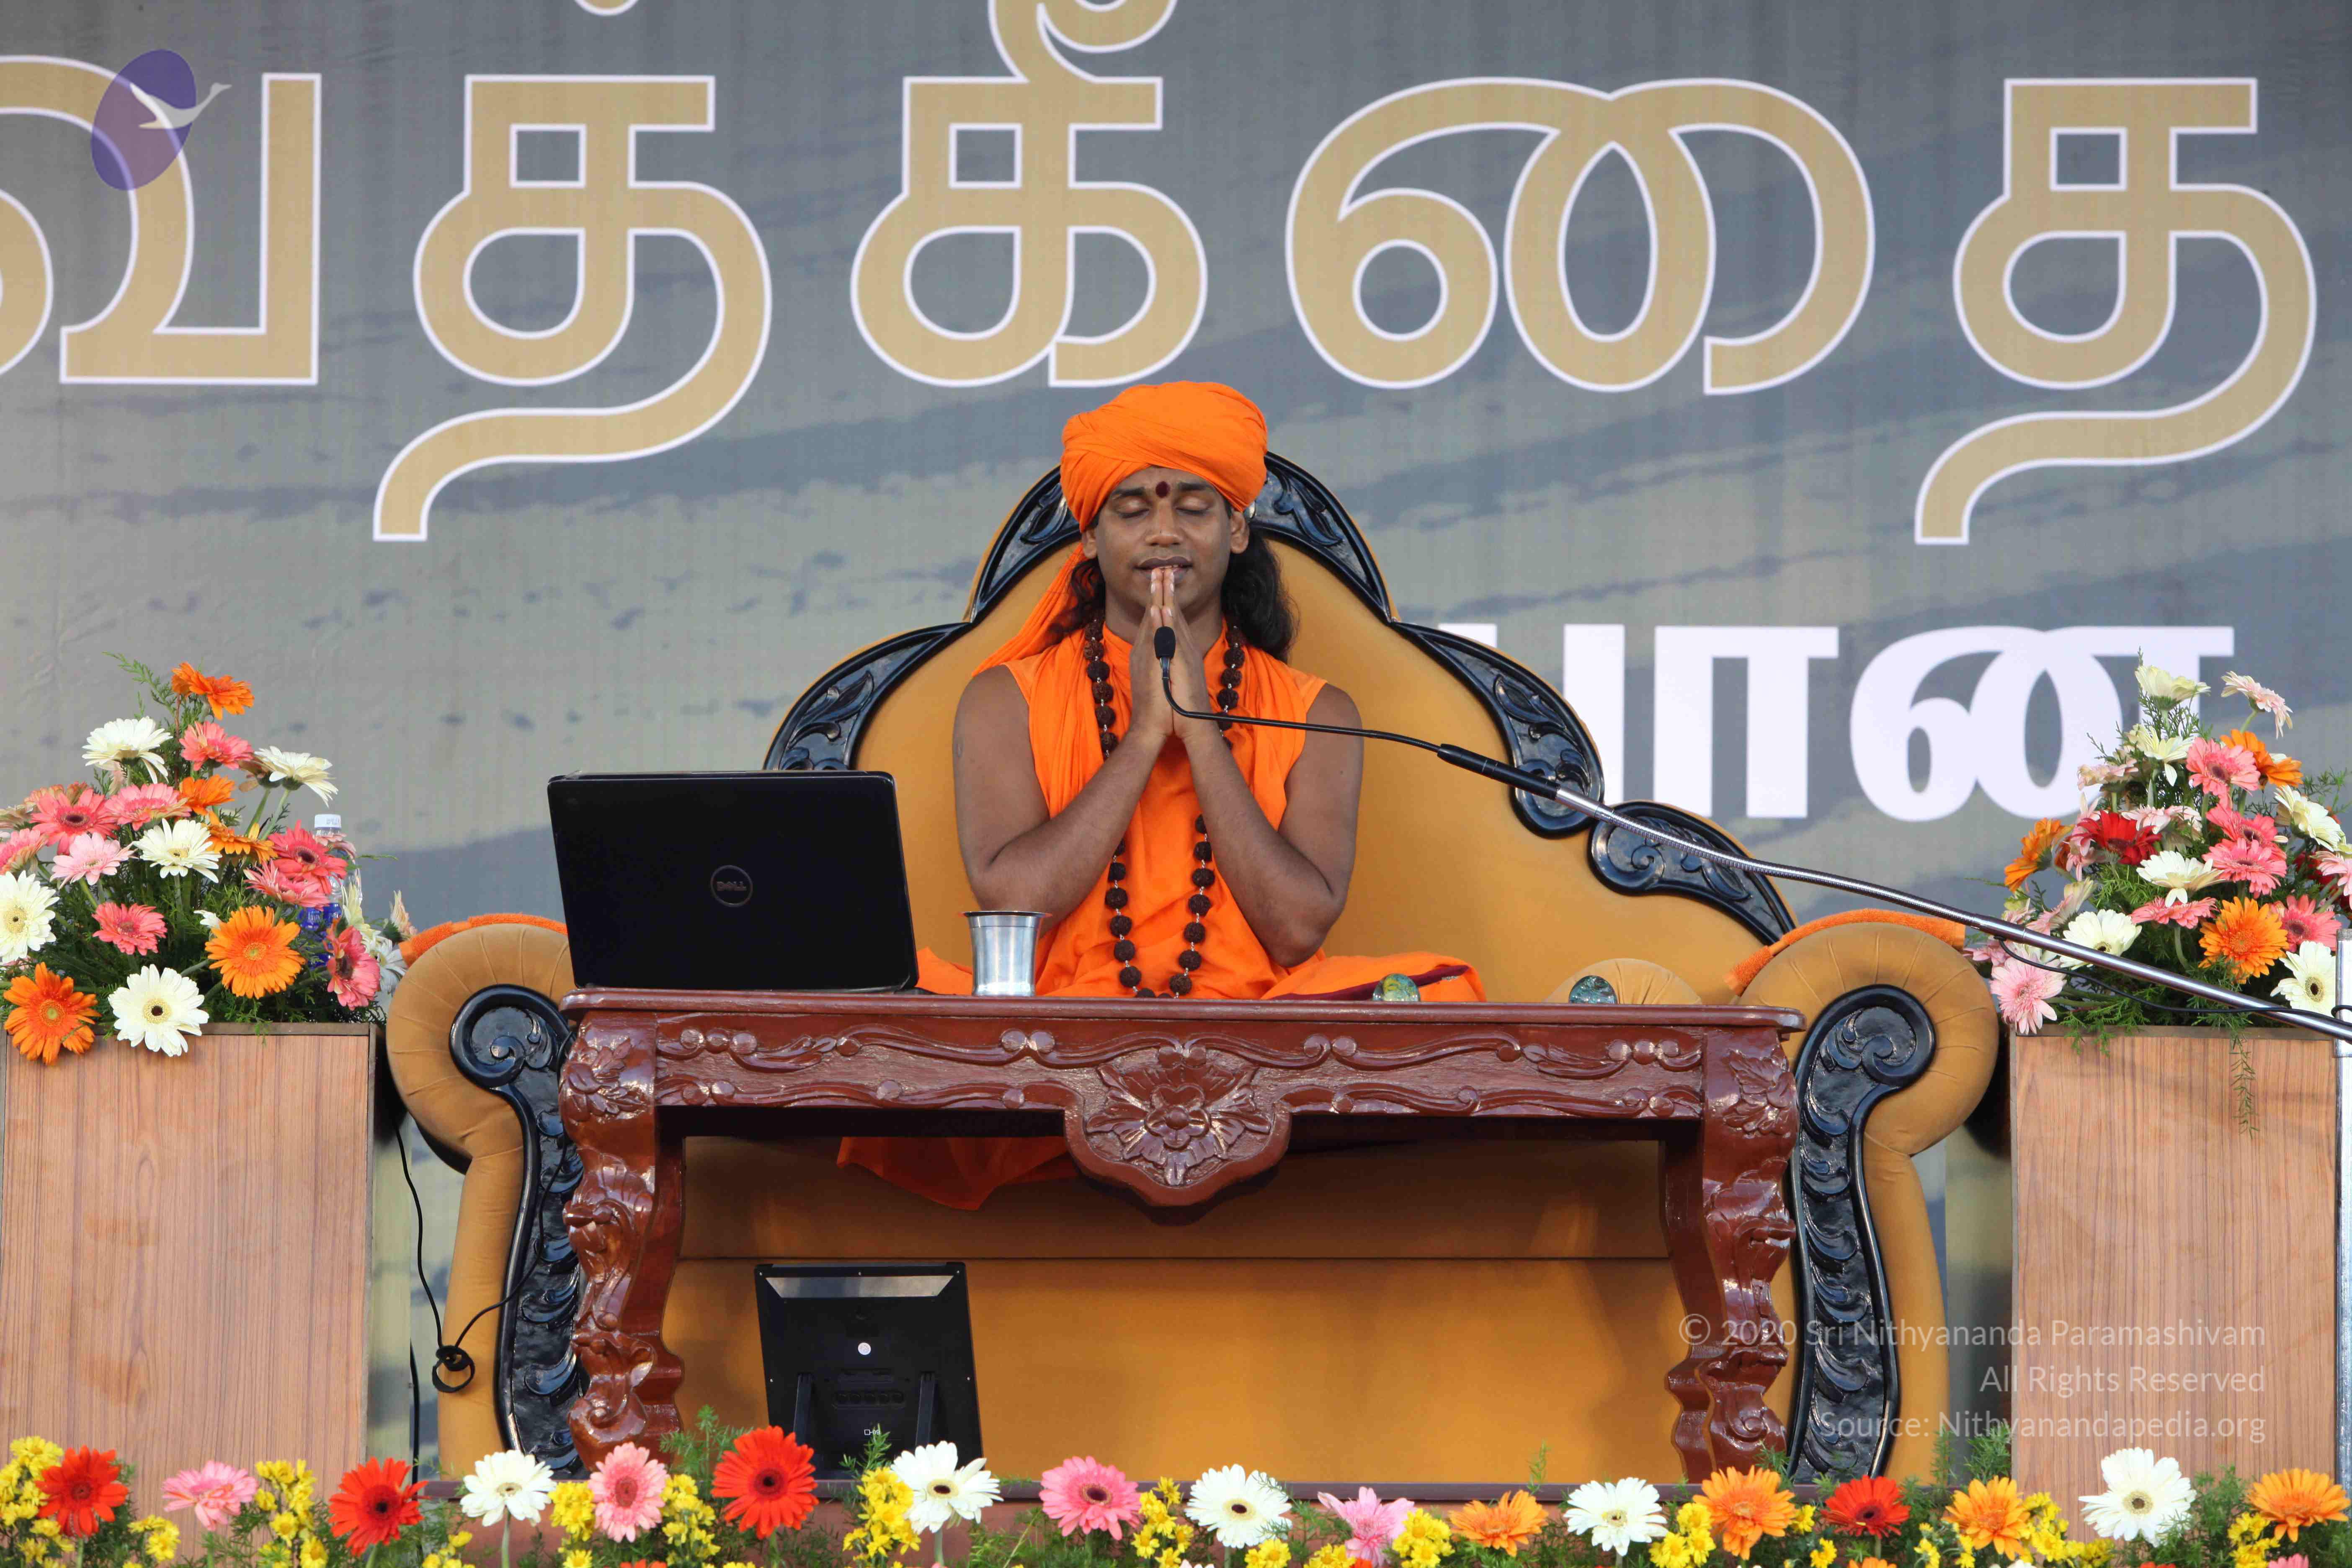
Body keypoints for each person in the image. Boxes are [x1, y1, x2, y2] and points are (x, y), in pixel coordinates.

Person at [839, 381, 1482, 1208]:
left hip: (1260, 1030)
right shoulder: (1006, 699)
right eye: (1134, 508)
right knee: (879, 1005)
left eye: (1194, 507)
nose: (1165, 532)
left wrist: (1199, 728)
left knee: (1440, 993)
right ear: (1089, 535)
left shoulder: (1319, 711)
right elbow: (1013, 901)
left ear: (1238, 530)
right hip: (1057, 1031)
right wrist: (1145, 735)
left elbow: (1296, 930)